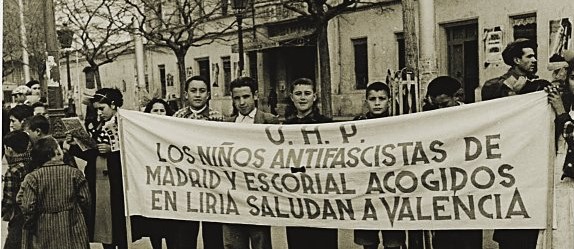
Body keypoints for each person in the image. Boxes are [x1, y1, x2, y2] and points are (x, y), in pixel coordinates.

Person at [481, 39, 545, 249]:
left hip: (531, 156)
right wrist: (511, 88)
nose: (534, 60)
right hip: (508, 157)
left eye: (534, 56)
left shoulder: (537, 84)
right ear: (516, 60)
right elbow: (488, 93)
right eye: (529, 56)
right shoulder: (500, 84)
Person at [65, 88, 127, 249]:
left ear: (113, 105)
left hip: (118, 180)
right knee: (102, 221)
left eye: (102, 108)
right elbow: (92, 154)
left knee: (118, 221)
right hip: (98, 178)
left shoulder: (124, 123)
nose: (99, 113)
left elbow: (132, 153)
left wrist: (112, 151)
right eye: (97, 109)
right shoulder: (98, 125)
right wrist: (74, 146)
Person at [222, 77, 277, 249]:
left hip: (259, 195)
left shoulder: (270, 121)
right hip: (232, 193)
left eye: (245, 97)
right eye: (237, 98)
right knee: (233, 243)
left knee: (260, 242)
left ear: (255, 95)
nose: (242, 102)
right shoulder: (226, 124)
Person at [353, 82, 407, 249]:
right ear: (366, 101)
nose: (377, 103)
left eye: (382, 99)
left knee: (393, 240)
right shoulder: (356, 124)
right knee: (368, 240)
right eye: (372, 99)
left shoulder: (399, 122)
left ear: (389, 101)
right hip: (366, 189)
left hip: (392, 188)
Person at [283, 78, 335, 249]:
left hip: (322, 196)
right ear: (292, 97)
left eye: (307, 93)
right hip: (296, 196)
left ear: (315, 96)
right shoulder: (285, 127)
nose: (302, 98)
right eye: (298, 94)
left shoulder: (327, 125)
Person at [173, 76, 224, 249]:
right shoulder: (177, 117)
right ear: (186, 94)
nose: (197, 95)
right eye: (193, 91)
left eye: (202, 91)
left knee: (213, 235)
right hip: (186, 184)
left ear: (208, 94)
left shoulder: (217, 117)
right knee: (185, 235)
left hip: (211, 184)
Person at [17, 137, 90, 249]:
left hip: (43, 229)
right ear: (57, 152)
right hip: (72, 227)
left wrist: (30, 224)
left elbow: (27, 206)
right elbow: (85, 201)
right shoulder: (75, 174)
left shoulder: (33, 178)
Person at [131, 98, 183, 249]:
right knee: (155, 227)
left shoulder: (174, 130)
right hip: (153, 185)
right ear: (149, 112)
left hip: (171, 185)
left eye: (162, 110)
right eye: (155, 110)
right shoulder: (143, 132)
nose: (159, 113)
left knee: (171, 228)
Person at [546, 49, 574, 249]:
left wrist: (562, 113)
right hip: (559, 181)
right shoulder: (564, 105)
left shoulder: (563, 110)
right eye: (573, 77)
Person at [2, 131, 32, 249]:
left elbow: (8, 200)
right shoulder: (33, 163)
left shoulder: (12, 171)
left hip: (18, 215)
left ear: (9, 149)